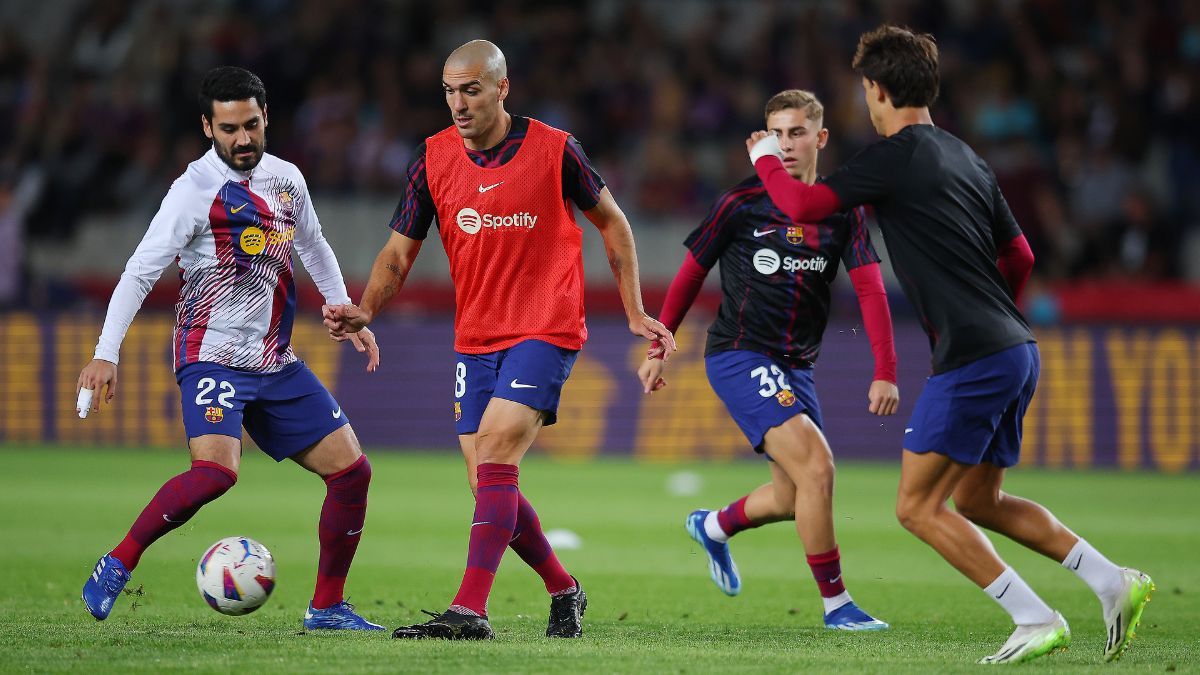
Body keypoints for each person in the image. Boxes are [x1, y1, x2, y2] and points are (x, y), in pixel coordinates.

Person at [745, 25, 1152, 664]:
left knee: (915, 506)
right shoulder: (968, 157)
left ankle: (1034, 616)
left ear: (877, 91)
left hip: (977, 356)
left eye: (865, 92)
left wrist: (765, 154)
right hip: (1016, 346)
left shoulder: (894, 155)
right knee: (978, 499)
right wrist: (986, 314)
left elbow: (800, 204)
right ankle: (1111, 580)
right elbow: (1020, 254)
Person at [323, 40, 676, 641]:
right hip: (476, 337)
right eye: (449, 91)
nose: (458, 104)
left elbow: (612, 222)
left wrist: (635, 310)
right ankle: (565, 589)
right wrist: (365, 309)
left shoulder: (556, 150)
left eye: (471, 90)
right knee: (487, 479)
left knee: (493, 454)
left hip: (546, 326)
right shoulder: (431, 159)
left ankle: (470, 610)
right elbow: (397, 254)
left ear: (502, 88)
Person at [78, 66, 385, 631]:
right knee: (217, 472)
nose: (242, 139)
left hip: (273, 358)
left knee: (352, 474)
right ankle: (117, 563)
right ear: (207, 127)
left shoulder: (287, 179)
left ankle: (327, 608)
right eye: (228, 129)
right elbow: (141, 271)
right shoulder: (192, 192)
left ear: (265, 117)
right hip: (211, 353)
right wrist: (106, 351)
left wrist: (345, 308)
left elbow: (313, 245)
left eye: (250, 125)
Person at [638, 89, 897, 631]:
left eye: (797, 133)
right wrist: (660, 345)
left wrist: (886, 369)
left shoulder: (841, 211)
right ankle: (837, 606)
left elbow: (871, 291)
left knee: (791, 493)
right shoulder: (741, 203)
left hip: (796, 365)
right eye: (776, 133)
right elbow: (690, 273)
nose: (786, 145)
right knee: (819, 466)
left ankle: (713, 527)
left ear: (820, 138)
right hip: (739, 353)